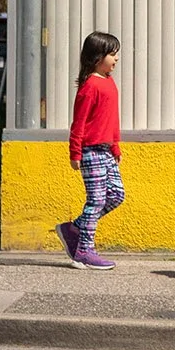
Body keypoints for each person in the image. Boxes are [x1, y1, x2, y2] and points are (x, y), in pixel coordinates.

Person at [58, 31, 123, 270]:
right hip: (90, 151)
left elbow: (112, 120)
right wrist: (74, 152)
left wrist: (115, 145)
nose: (115, 59)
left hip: (106, 151)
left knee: (116, 195)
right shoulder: (90, 86)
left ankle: (74, 228)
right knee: (95, 200)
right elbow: (79, 122)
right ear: (97, 57)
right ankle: (83, 251)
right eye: (112, 54)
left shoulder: (109, 83)